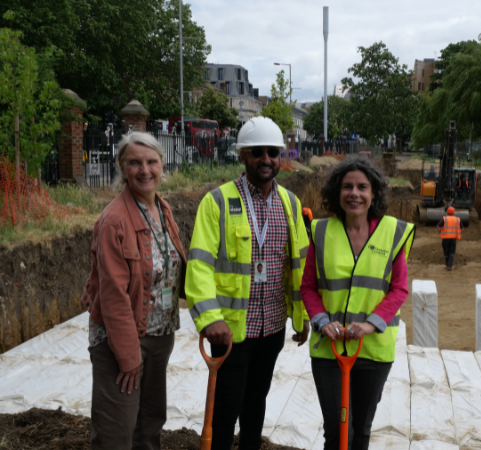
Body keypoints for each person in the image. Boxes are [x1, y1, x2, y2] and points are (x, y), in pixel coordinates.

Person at [185, 116, 310, 450]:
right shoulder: (218, 202)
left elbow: (300, 266)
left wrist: (302, 316)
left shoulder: (291, 204)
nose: (266, 159)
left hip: (271, 327)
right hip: (231, 330)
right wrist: (210, 319)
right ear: (242, 155)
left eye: (272, 152)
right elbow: (199, 266)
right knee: (227, 408)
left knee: (257, 402)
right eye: (257, 152)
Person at [301, 158, 415, 450]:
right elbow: (309, 287)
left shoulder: (392, 233)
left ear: (373, 193)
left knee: (360, 432)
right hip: (329, 351)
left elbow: (399, 288)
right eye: (347, 186)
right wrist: (322, 322)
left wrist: (369, 324)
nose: (355, 193)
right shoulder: (321, 232)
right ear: (337, 193)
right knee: (338, 433)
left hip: (374, 351)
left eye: (362, 187)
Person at [82, 132, 186, 450]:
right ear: (122, 168)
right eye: (135, 163)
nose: (144, 170)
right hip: (123, 341)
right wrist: (128, 356)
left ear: (161, 165)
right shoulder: (114, 220)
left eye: (151, 162)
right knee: (117, 430)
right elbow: (113, 296)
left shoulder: (163, 210)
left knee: (150, 424)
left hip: (159, 334)